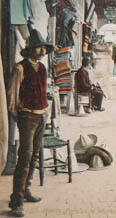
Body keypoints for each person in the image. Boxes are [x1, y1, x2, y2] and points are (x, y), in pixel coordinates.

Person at [6, 29, 54, 217]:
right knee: (24, 158)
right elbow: (12, 94)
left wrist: (46, 112)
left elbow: (44, 90)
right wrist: (17, 115)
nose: (42, 51)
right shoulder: (20, 68)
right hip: (27, 117)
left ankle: (26, 191)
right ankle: (16, 202)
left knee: (34, 155)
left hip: (41, 115)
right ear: (31, 49)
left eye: (44, 48)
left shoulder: (42, 69)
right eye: (39, 48)